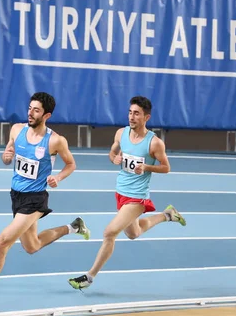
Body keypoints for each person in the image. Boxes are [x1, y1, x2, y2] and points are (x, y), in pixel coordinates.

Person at [0, 92, 92, 310]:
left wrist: (57, 177)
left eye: (36, 110)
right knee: (32, 246)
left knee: (1, 244)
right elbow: (6, 156)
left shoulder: (56, 140)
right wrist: (6, 157)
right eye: (29, 108)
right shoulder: (17, 130)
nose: (30, 113)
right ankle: (73, 227)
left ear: (46, 115)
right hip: (16, 195)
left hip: (35, 200)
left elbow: (71, 164)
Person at [68, 96, 186, 290]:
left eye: (137, 114)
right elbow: (112, 154)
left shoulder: (154, 143)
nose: (132, 117)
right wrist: (114, 158)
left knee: (109, 232)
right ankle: (168, 214)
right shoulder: (121, 133)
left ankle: (89, 277)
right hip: (121, 192)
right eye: (130, 112)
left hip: (137, 197)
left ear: (146, 117)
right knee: (134, 232)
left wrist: (146, 167)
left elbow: (166, 167)